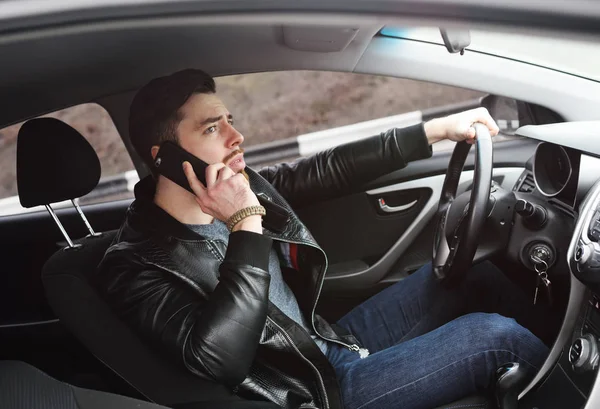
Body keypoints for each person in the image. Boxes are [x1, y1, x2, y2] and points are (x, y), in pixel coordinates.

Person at [94, 69, 548, 409]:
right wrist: (245, 222)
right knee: (496, 338)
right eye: (213, 128)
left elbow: (323, 171)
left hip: (329, 343)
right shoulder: (135, 265)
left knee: (477, 274)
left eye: (229, 121)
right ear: (164, 157)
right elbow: (220, 359)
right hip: (315, 391)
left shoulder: (241, 182)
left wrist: (437, 131)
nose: (237, 137)